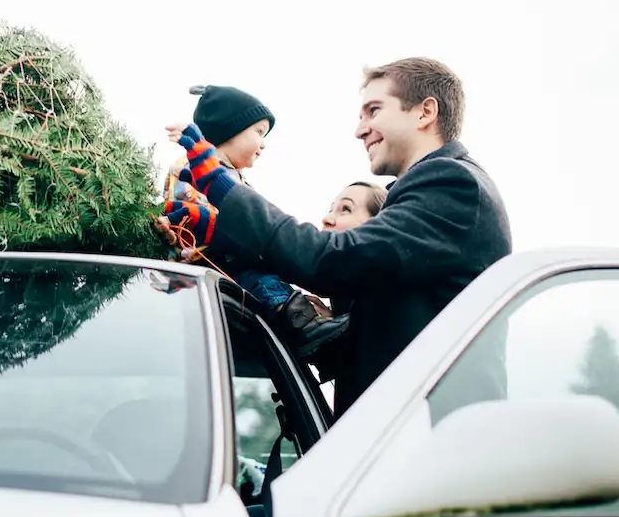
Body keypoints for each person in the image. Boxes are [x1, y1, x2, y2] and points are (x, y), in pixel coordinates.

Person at [160, 57, 512, 420]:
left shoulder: (453, 183)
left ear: (425, 112)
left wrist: (221, 187)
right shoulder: (423, 193)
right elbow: (354, 338)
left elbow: (328, 260)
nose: (360, 129)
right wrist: (222, 234)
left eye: (373, 111)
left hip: (427, 449)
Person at [162, 84, 334, 347]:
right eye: (259, 132)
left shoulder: (233, 175)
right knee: (256, 275)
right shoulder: (193, 167)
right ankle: (297, 321)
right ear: (229, 130)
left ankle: (302, 319)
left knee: (267, 271)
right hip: (207, 260)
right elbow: (195, 215)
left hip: (229, 258)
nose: (263, 144)